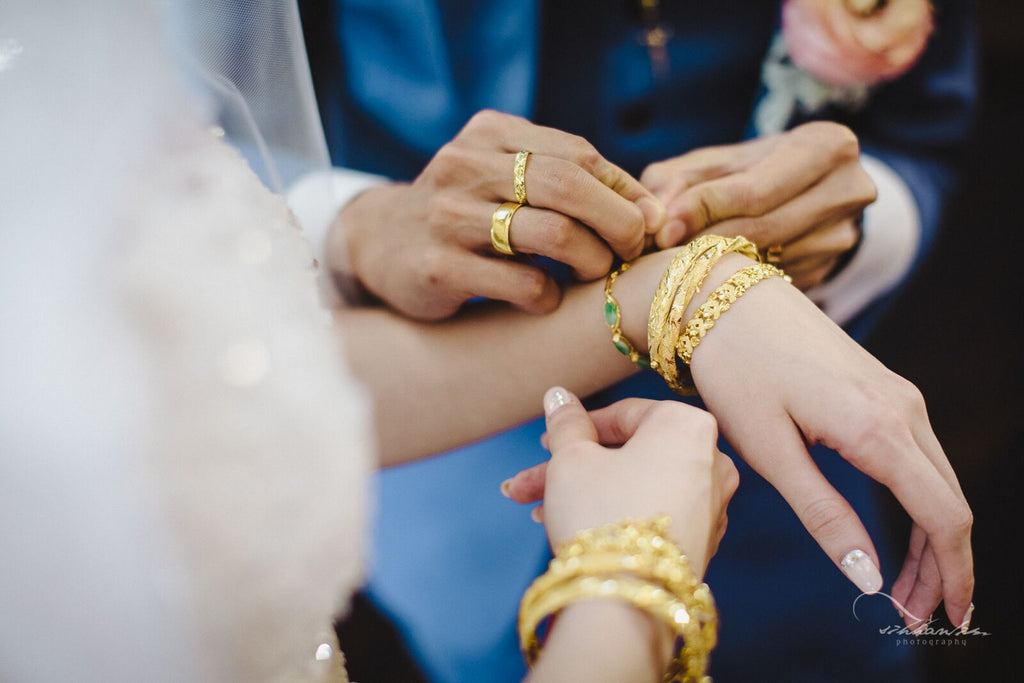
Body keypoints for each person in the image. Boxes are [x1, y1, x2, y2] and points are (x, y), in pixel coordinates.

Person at [293, 0, 977, 680]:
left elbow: (920, 129)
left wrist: (853, 224)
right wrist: (351, 224)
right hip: (434, 463)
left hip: (789, 474)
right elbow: (215, 125)